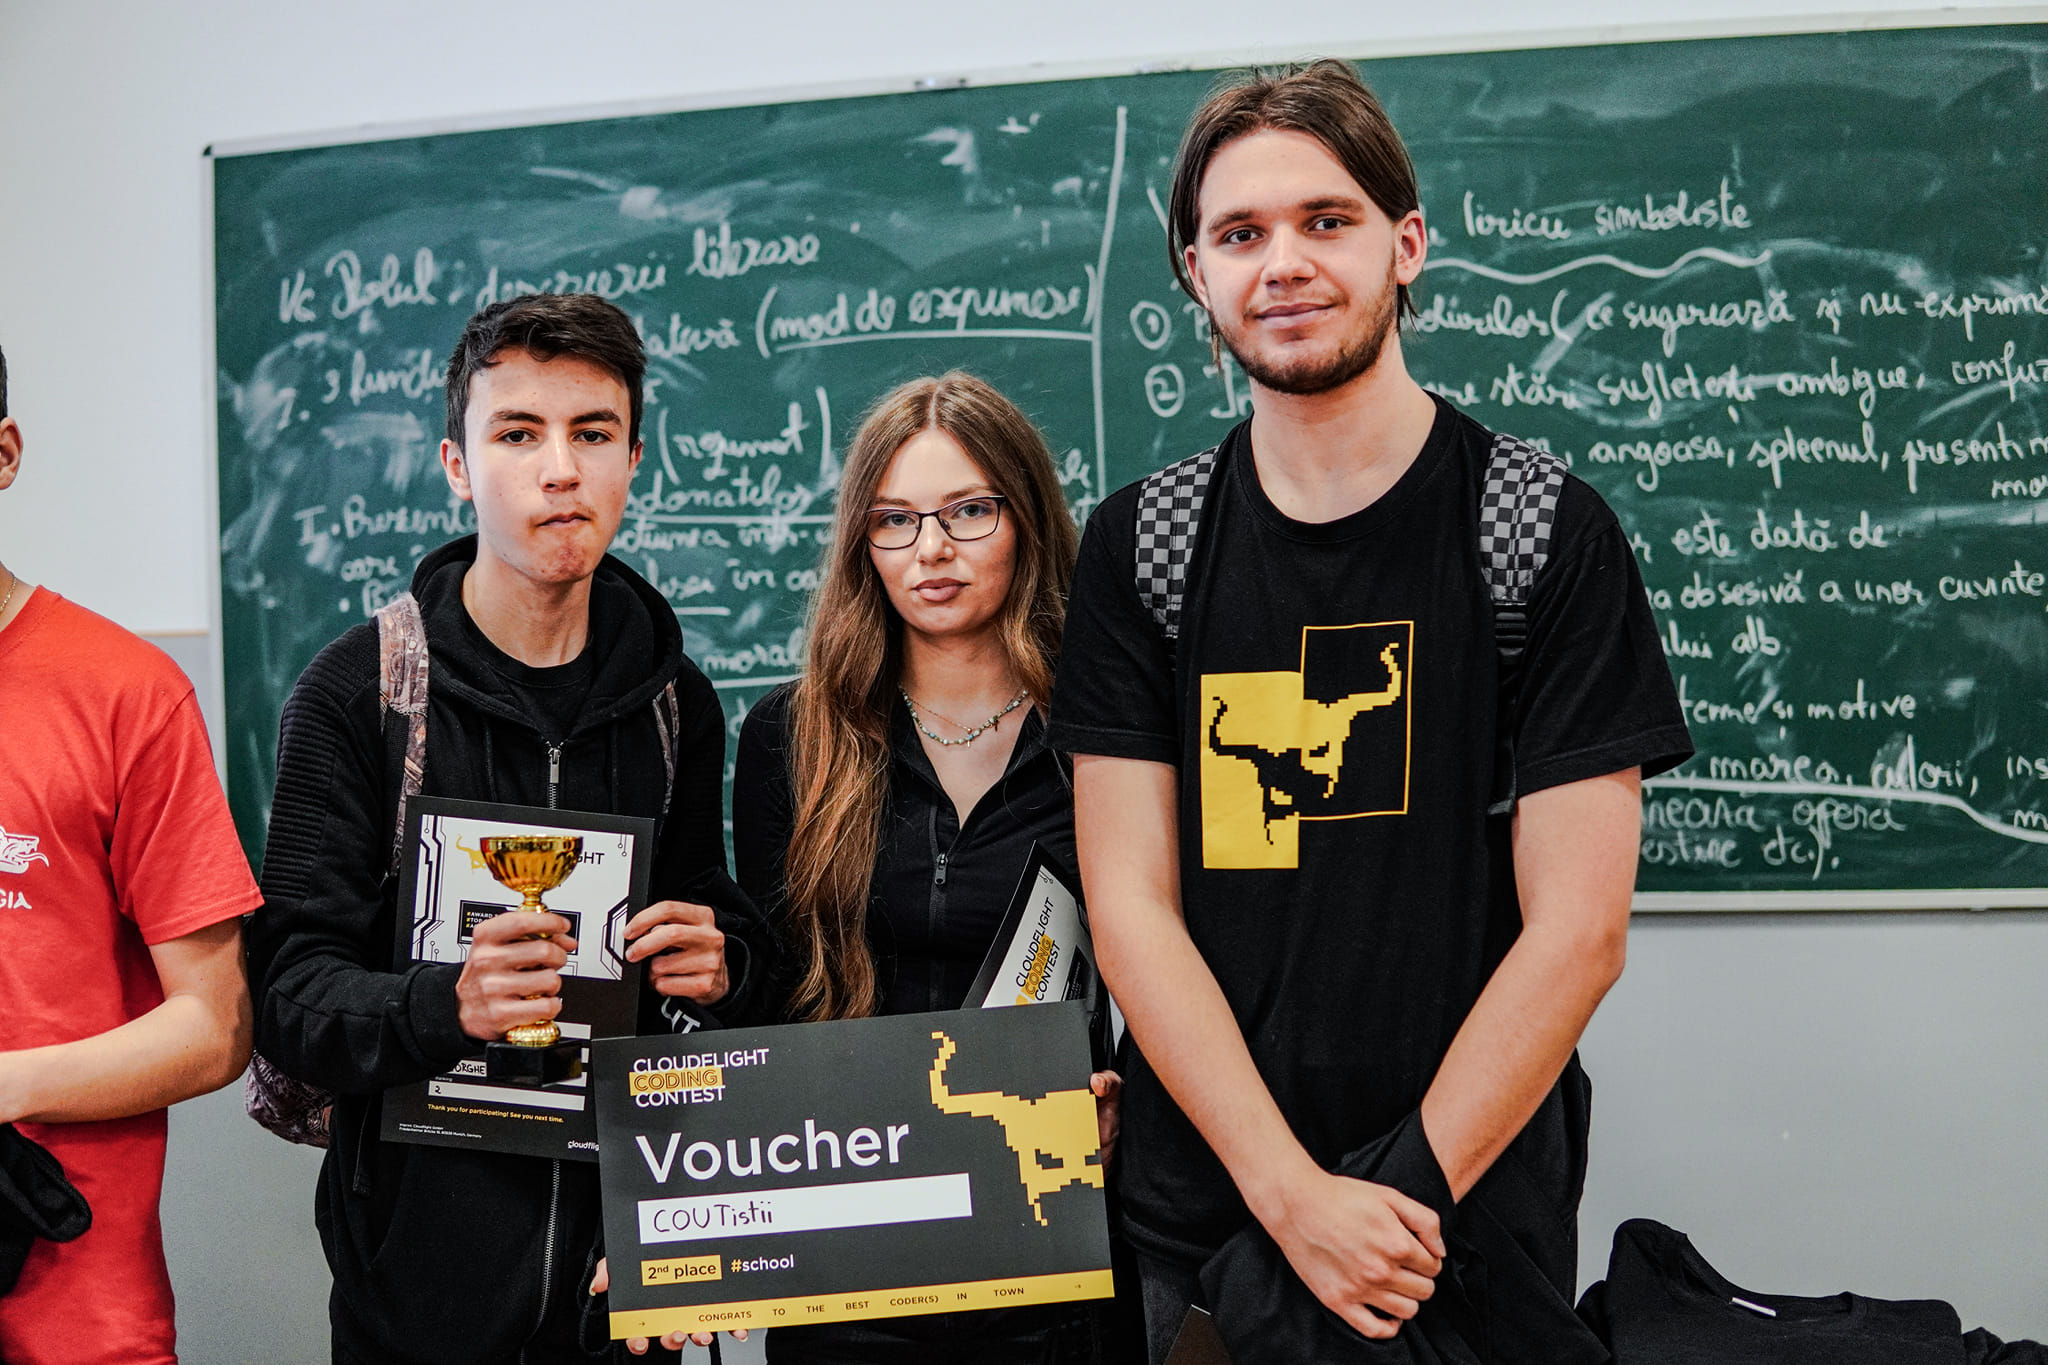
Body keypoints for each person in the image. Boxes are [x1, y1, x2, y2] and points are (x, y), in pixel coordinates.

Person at [1047, 62, 1694, 1364]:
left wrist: (1387, 1201)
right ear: (1194, 274)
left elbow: (1579, 932)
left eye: (1324, 220)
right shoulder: (1140, 549)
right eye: (1240, 234)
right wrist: (1294, 1201)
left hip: (1458, 1221)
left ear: (1405, 244)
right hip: (1209, 1226)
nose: (1282, 262)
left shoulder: (1540, 533)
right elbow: (1130, 912)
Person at [246, 295, 769, 1365]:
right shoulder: (360, 694)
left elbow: (707, 947)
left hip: (620, 1295)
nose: (559, 471)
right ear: (456, 464)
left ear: (635, 460)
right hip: (415, 1302)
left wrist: (727, 965)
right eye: (518, 434)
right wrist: (444, 1002)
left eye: (593, 434)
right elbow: (288, 993)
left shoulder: (677, 703)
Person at [726, 372, 1128, 1364]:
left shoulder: (1110, 729)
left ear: (1026, 519)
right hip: (850, 1254)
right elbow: (770, 995)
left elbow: (1186, 961)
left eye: (968, 511)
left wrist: (1133, 1106)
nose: (931, 549)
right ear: (861, 544)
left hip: (1054, 1248)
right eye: (895, 520)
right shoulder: (791, 736)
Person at [0, 340, 261, 1364]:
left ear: (5, 454)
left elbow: (214, 1026)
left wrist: (7, 1082)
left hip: (74, 1311)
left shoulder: (126, 693)